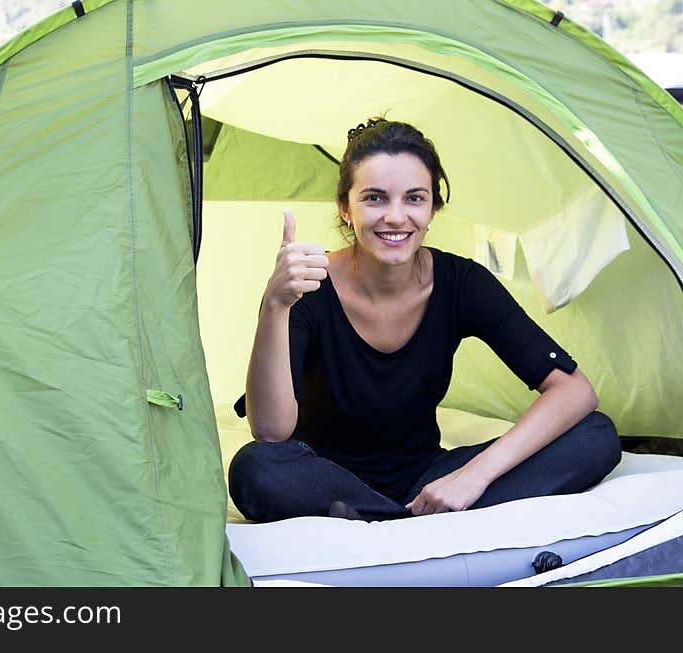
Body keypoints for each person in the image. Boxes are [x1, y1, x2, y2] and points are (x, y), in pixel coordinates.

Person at [228, 117, 621, 523]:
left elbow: (575, 391)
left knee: (595, 434)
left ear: (433, 208)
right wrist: (275, 304)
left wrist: (472, 477)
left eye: (414, 199)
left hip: (428, 479)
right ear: (345, 208)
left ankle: (395, 517)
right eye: (375, 199)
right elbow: (272, 432)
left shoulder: (462, 283)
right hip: (325, 481)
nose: (396, 217)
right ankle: (411, 522)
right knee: (254, 468)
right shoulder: (306, 286)